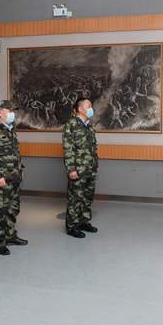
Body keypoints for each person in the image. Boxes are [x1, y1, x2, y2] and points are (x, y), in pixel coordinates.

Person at [0, 100, 28, 255]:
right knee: (0, 212)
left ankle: (10, 235)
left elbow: (16, 153)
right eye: (9, 111)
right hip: (2, 179)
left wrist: (20, 169)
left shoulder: (10, 129)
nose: (12, 113)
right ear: (0, 112)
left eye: (12, 111)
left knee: (13, 209)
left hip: (14, 177)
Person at [62, 97, 99, 238]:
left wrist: (95, 164)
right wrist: (71, 169)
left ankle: (84, 221)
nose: (91, 108)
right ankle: (72, 226)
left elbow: (93, 147)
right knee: (75, 198)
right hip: (78, 169)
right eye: (89, 106)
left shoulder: (89, 125)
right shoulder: (71, 124)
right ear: (81, 109)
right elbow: (68, 148)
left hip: (89, 168)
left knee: (87, 198)